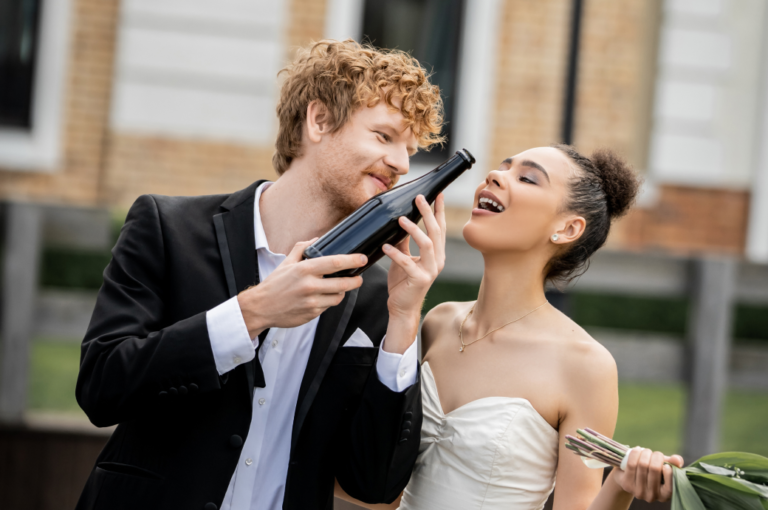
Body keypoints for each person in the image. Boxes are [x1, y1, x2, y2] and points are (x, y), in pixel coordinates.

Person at [74, 39, 447, 510]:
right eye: (384, 137)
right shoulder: (167, 227)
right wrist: (252, 312)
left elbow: (373, 484)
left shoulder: (377, 291)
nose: (402, 164)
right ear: (319, 120)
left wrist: (404, 319)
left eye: (410, 149)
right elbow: (102, 387)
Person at [394, 145, 685, 510]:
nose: (495, 176)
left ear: (567, 228)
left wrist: (622, 486)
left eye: (527, 178)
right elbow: (380, 484)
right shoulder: (437, 322)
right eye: (503, 167)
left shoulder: (585, 365)